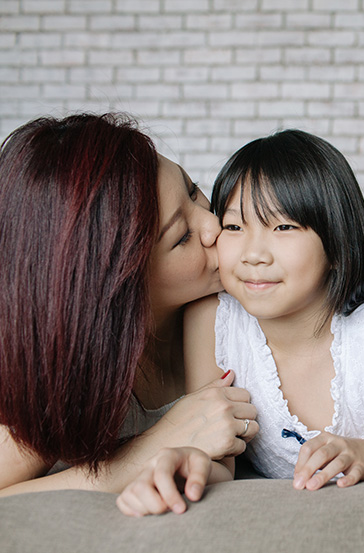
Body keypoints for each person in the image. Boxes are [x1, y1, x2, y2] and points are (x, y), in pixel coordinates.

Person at [117, 129, 364, 516]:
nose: (254, 254)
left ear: (338, 246)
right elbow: (220, 457)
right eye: (234, 226)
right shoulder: (211, 320)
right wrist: (187, 466)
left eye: (283, 227)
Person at [0, 113, 258, 497]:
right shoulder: (67, 370)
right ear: (113, 281)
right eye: (182, 236)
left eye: (193, 191)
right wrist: (149, 449)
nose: (213, 226)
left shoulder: (245, 302)